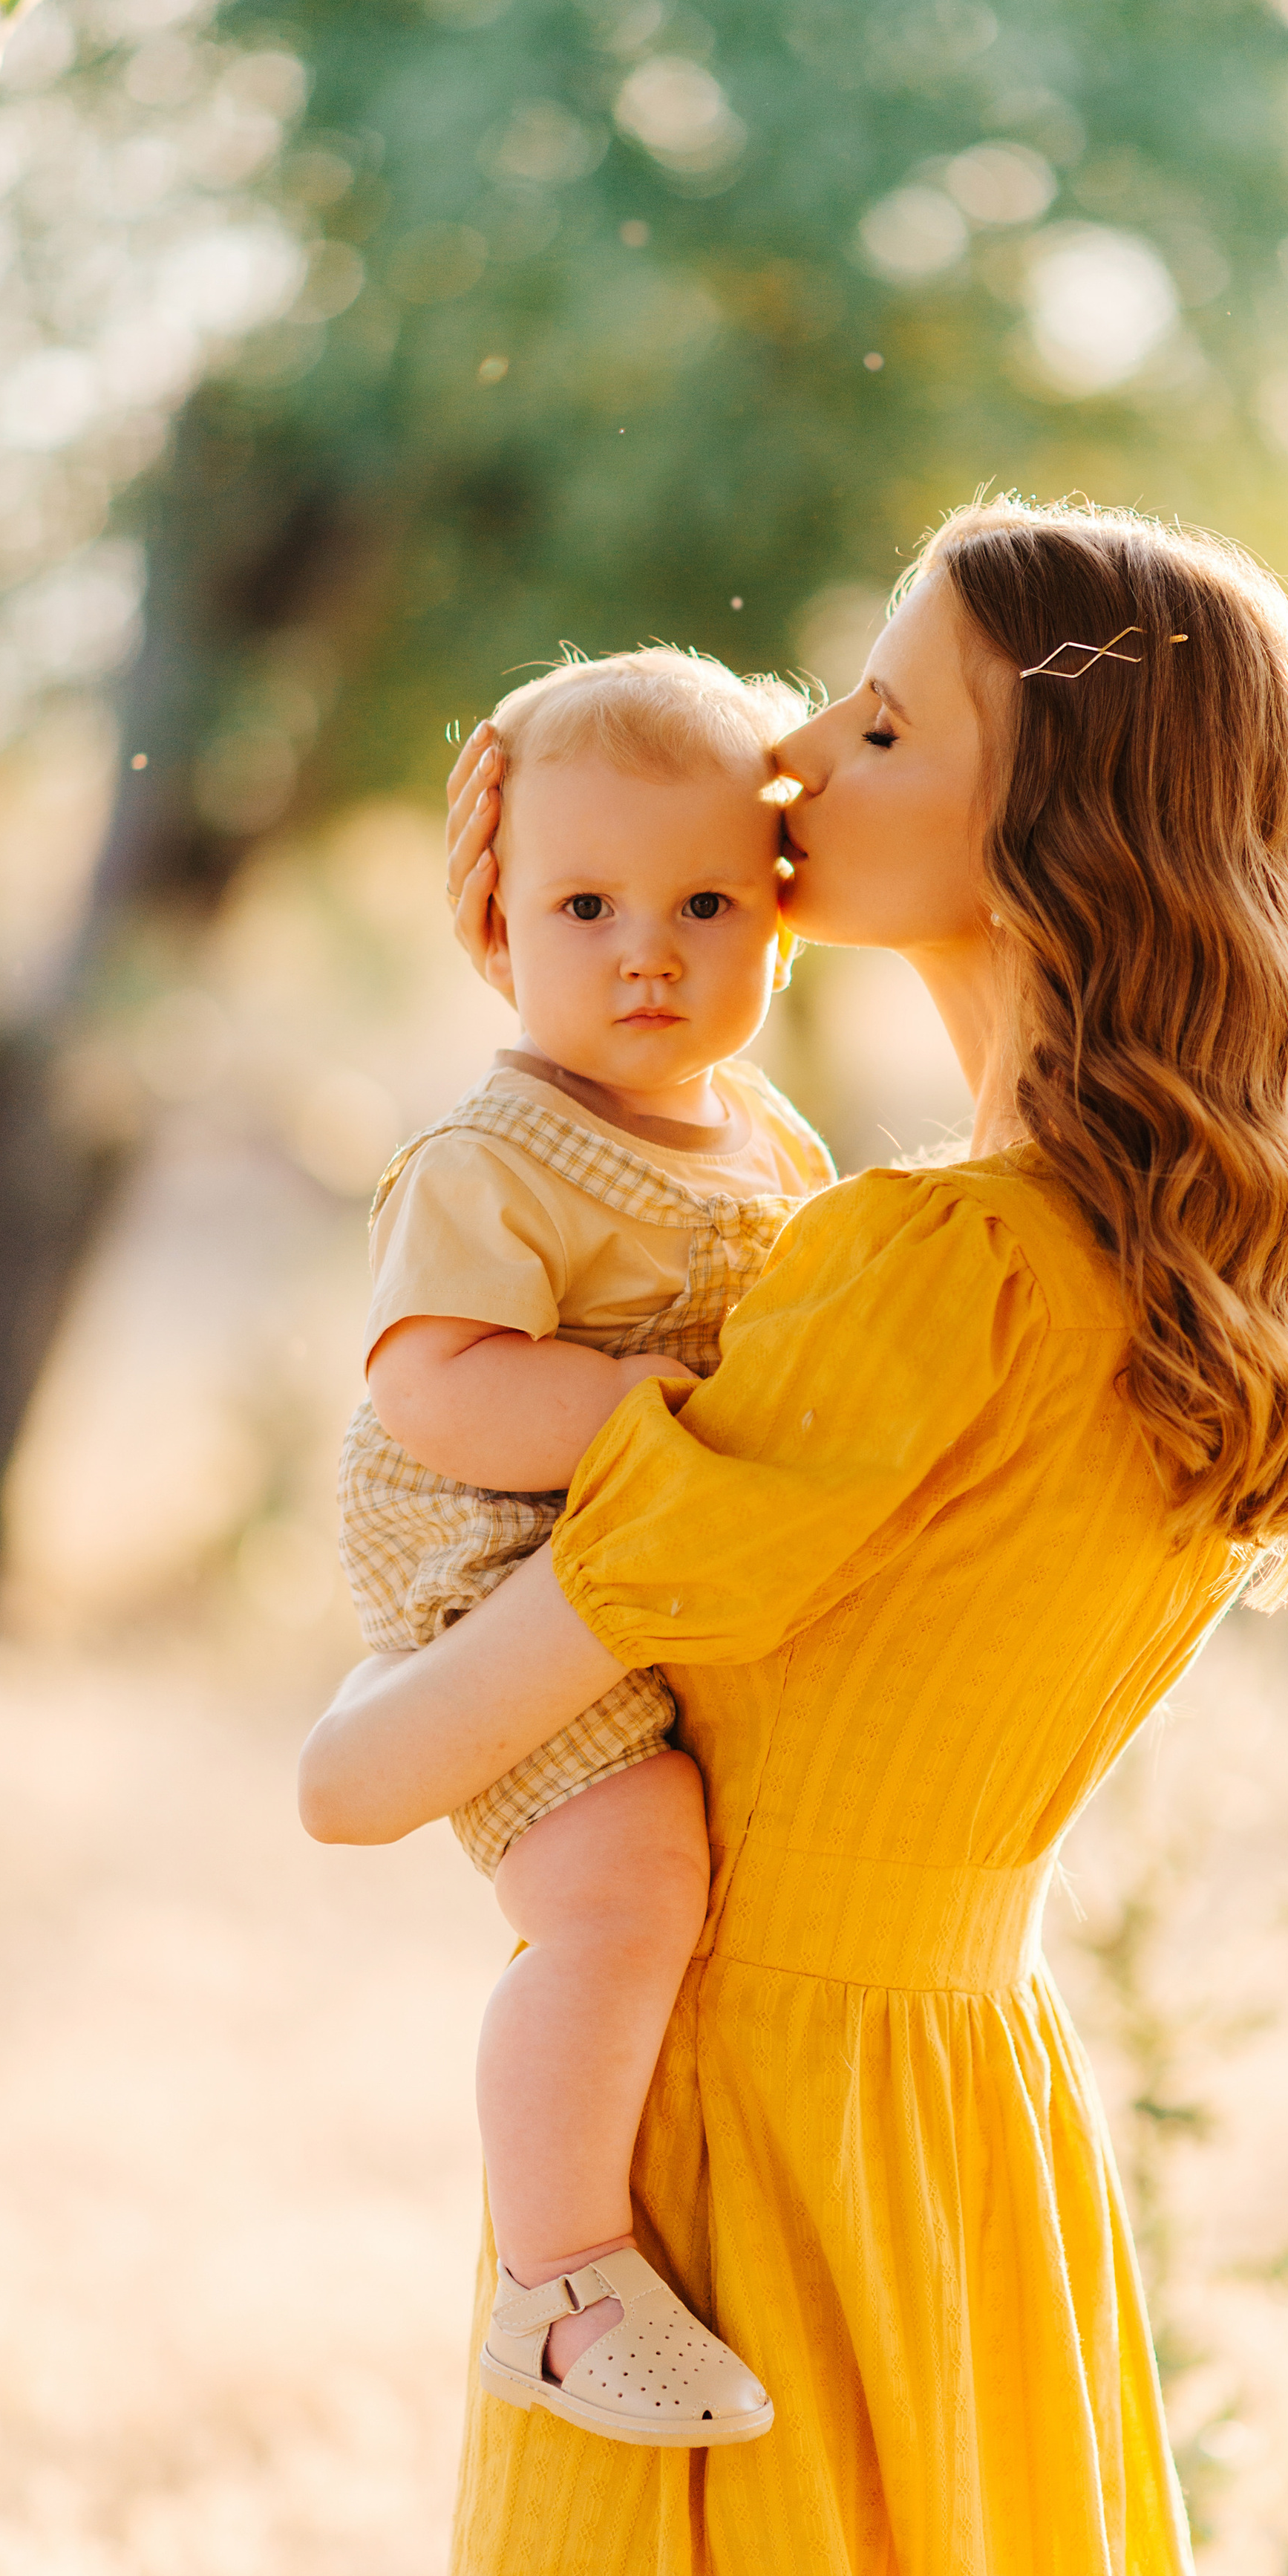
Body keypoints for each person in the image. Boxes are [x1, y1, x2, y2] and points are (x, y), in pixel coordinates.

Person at [298, 497, 1288, 2576]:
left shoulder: (914, 1269)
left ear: (1055, 839)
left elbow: (360, 1784)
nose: (796, 758)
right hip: (966, 2114)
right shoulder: (1177, 1276)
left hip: (734, 2126)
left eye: (892, 723)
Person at [338, 648, 835, 2445]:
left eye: (707, 899)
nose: (650, 947)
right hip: (486, 1559)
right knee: (618, 1882)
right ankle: (556, 2283)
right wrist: (675, 1429)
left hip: (648, 1549)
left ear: (784, 912)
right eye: (586, 902)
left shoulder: (764, 1139)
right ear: (495, 921)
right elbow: (441, 1398)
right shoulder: (496, 1155)